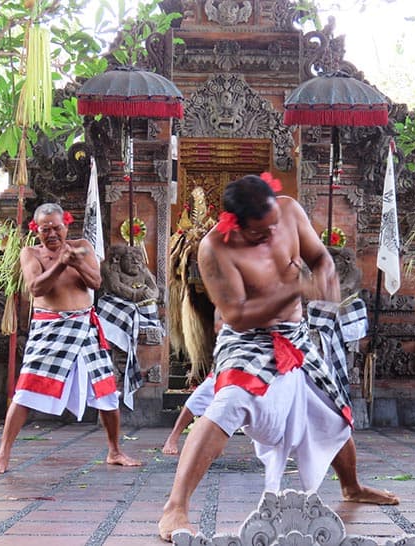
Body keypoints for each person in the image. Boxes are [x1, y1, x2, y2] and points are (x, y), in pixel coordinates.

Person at [158, 174, 396, 541]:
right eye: (260, 232)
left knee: (333, 409)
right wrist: (295, 290)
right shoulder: (214, 250)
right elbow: (236, 314)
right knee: (229, 403)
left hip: (296, 336)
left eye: (273, 227)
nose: (271, 235)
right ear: (234, 224)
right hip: (247, 339)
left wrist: (326, 277)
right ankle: (175, 507)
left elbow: (319, 257)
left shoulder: (288, 211)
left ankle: (351, 486)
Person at [0, 203, 140, 474]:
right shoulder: (30, 253)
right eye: (46, 229)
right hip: (50, 329)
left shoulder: (83, 247)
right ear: (36, 230)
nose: (52, 234)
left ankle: (115, 451)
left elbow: (96, 283)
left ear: (66, 225)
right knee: (25, 391)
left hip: (84, 327)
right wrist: (59, 265)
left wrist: (76, 262)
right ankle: (2, 455)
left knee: (106, 392)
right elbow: (35, 287)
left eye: (57, 227)